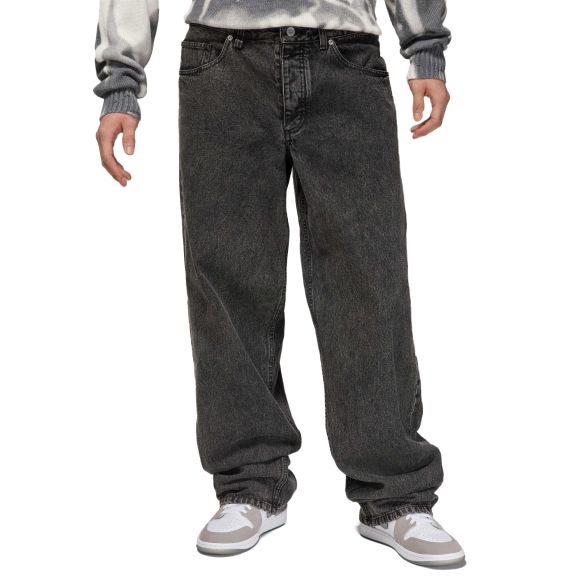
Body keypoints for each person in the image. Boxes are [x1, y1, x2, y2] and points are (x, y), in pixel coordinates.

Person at [94, 0, 465, 567]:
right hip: (222, 59)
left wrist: (425, 48)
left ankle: (396, 495)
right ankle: (249, 483)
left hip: (346, 56)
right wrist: (122, 81)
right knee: (228, 281)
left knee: (369, 276)